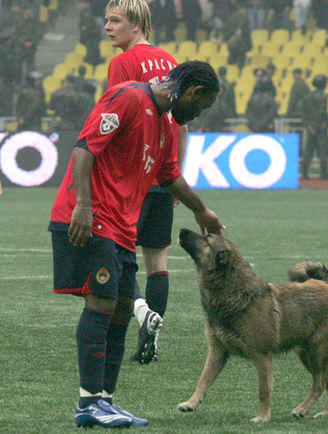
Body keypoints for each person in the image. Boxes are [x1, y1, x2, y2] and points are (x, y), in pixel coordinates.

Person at [49, 60, 223, 428]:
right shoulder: (128, 97)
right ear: (191, 92)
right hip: (90, 218)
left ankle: (106, 401)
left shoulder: (164, 123)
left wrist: (201, 211)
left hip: (122, 228)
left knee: (124, 309)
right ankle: (88, 403)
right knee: (101, 305)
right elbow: (84, 149)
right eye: (201, 105)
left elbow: (169, 176)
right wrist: (82, 204)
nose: (198, 114)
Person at [104, 0, 187, 364]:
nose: (107, 27)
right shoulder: (171, 61)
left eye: (115, 20)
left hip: (134, 176)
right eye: (106, 20)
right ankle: (150, 343)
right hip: (164, 175)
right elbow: (181, 123)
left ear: (136, 24)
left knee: (119, 257)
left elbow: (118, 117)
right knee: (158, 262)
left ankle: (139, 313)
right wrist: (175, 177)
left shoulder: (122, 64)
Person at [300, 74, 328, 179]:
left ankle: (304, 172)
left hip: (310, 128)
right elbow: (323, 114)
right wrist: (321, 125)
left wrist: (309, 126)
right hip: (321, 128)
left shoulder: (307, 97)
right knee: (323, 151)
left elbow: (303, 114)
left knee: (308, 151)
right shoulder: (323, 97)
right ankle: (323, 173)